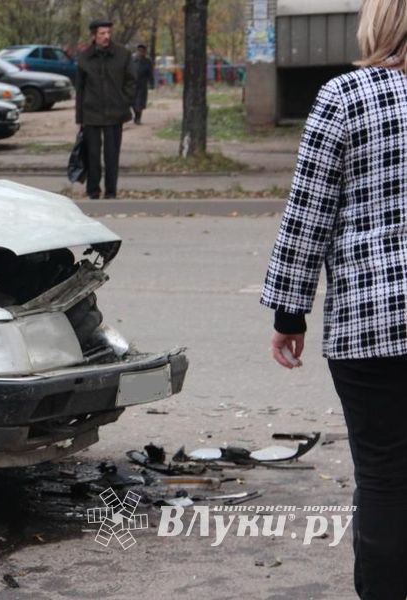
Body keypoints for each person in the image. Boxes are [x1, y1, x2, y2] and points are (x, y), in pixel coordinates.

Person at [261, 1, 407, 597]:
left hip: (372, 324)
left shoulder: (346, 96)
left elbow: (309, 210)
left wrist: (289, 310)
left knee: (385, 477)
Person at [75, 18, 135, 200]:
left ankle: (111, 192)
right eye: (102, 33)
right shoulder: (85, 57)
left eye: (108, 33)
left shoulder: (122, 54)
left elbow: (131, 81)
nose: (106, 36)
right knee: (92, 155)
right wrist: (80, 118)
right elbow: (80, 89)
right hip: (91, 113)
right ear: (94, 35)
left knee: (112, 156)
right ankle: (93, 191)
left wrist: (124, 101)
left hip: (115, 113)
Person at [131, 44, 153, 125]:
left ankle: (138, 118)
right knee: (132, 102)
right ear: (136, 51)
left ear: (144, 52)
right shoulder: (131, 60)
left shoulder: (147, 62)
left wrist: (151, 83)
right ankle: (136, 115)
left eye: (142, 51)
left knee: (139, 102)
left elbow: (150, 73)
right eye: (139, 51)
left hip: (142, 85)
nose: (140, 53)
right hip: (132, 84)